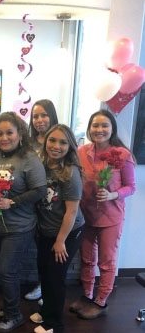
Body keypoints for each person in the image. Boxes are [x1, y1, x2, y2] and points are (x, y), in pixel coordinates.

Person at [69, 109, 136, 320]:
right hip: (85, 215)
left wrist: (112, 194)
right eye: (95, 126)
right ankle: (87, 295)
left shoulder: (122, 154)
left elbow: (131, 187)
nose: (99, 130)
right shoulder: (81, 151)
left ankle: (101, 301)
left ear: (112, 129)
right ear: (89, 129)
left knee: (106, 262)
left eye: (104, 125)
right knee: (87, 260)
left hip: (111, 217)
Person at [0, 112, 47, 332]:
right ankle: (7, 307)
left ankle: (14, 315)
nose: (4, 137)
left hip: (19, 227)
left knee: (7, 271)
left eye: (9, 132)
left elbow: (40, 190)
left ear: (20, 133)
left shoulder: (29, 158)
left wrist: (13, 202)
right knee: (4, 271)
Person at [29, 124, 84, 333]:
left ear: (70, 146)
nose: (56, 146)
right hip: (46, 231)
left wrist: (60, 241)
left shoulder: (70, 173)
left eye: (63, 142)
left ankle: (54, 324)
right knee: (44, 273)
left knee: (55, 277)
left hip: (67, 233)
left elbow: (71, 212)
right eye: (53, 140)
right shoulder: (41, 165)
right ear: (45, 141)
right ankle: (46, 313)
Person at [25, 99, 59, 302]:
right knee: (40, 249)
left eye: (43, 115)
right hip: (32, 203)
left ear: (52, 116)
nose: (39, 120)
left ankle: (49, 290)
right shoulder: (28, 143)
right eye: (35, 116)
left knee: (52, 248)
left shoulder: (59, 138)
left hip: (53, 203)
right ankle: (41, 284)